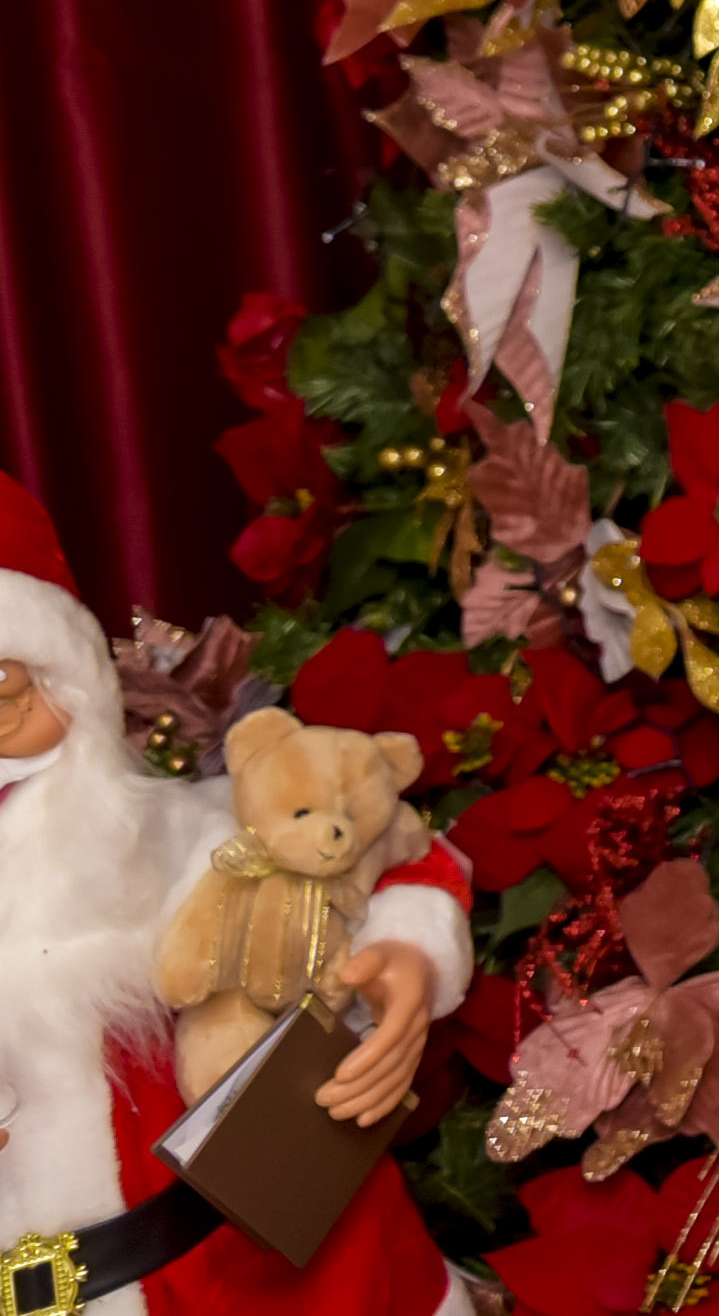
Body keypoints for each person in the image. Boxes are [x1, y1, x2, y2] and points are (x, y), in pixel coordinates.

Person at [0, 470, 474, 1316]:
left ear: (71, 686)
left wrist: (405, 960)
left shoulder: (166, 840)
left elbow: (376, 848)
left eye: (4, 695)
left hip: (237, 1277)